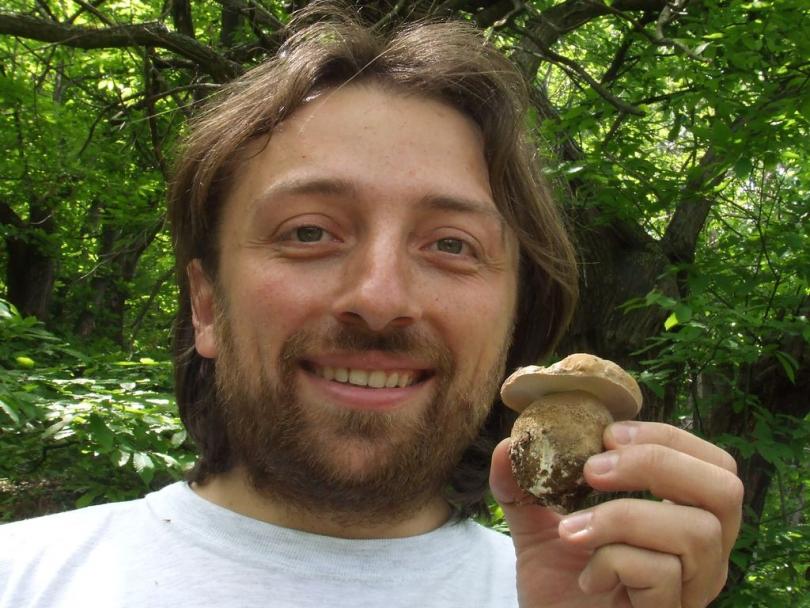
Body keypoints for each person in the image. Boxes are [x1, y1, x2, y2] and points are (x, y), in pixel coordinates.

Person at [0, 4, 743, 607]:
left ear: (512, 320)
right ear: (206, 306)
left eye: (450, 244)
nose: (381, 299)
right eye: (309, 232)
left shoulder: (590, 595)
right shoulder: (21, 579)